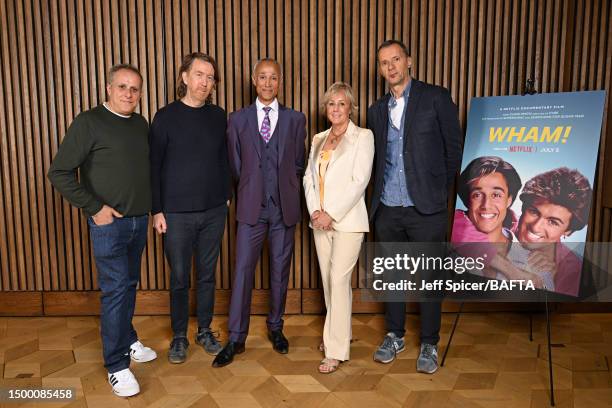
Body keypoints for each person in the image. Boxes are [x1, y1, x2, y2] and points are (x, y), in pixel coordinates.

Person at [48, 64, 157, 397]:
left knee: (129, 284)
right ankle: (116, 365)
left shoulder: (140, 124)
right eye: (122, 87)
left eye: (135, 89)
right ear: (108, 88)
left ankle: (127, 337)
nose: (128, 94)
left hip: (139, 221)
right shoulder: (88, 122)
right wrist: (95, 208)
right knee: (115, 290)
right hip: (108, 225)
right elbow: (59, 173)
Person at [367, 40, 462, 373]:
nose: (391, 67)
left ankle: (430, 343)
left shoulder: (435, 97)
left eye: (396, 59)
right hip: (388, 207)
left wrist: (437, 191)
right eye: (384, 63)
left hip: (426, 207)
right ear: (380, 69)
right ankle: (394, 335)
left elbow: (454, 150)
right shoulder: (376, 110)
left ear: (408, 61)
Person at [212, 58, 307, 367]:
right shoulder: (237, 120)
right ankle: (236, 337)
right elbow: (235, 165)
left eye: (274, 78)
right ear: (254, 80)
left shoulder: (296, 119)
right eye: (263, 77)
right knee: (242, 272)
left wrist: (282, 189)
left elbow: (298, 162)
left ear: (280, 82)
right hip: (251, 208)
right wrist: (255, 188)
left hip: (284, 209)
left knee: (280, 271)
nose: (268, 83)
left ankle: (276, 328)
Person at [149, 53, 231, 363]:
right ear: (184, 77)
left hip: (213, 211)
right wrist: (157, 210)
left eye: (210, 77)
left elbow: (224, 159)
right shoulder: (164, 117)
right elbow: (154, 166)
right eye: (199, 75)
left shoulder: (217, 115)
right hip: (176, 214)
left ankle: (205, 329)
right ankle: (180, 336)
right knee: (180, 276)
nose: (205, 82)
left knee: (208, 275)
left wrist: (225, 196)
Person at [303, 82, 374, 373]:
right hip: (320, 221)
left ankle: (335, 350)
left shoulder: (363, 137)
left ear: (350, 108)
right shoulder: (319, 138)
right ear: (326, 108)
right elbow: (308, 178)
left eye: (341, 104)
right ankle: (336, 333)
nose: (336, 109)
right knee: (328, 281)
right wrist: (316, 212)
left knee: (339, 280)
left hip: (348, 221)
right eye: (331, 104)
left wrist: (331, 213)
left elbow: (360, 181)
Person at [514, 167, 592, 296]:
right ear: (524, 207)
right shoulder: (493, 229)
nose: (536, 227)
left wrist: (550, 282)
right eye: (534, 212)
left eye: (553, 222)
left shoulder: (574, 271)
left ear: (568, 231)